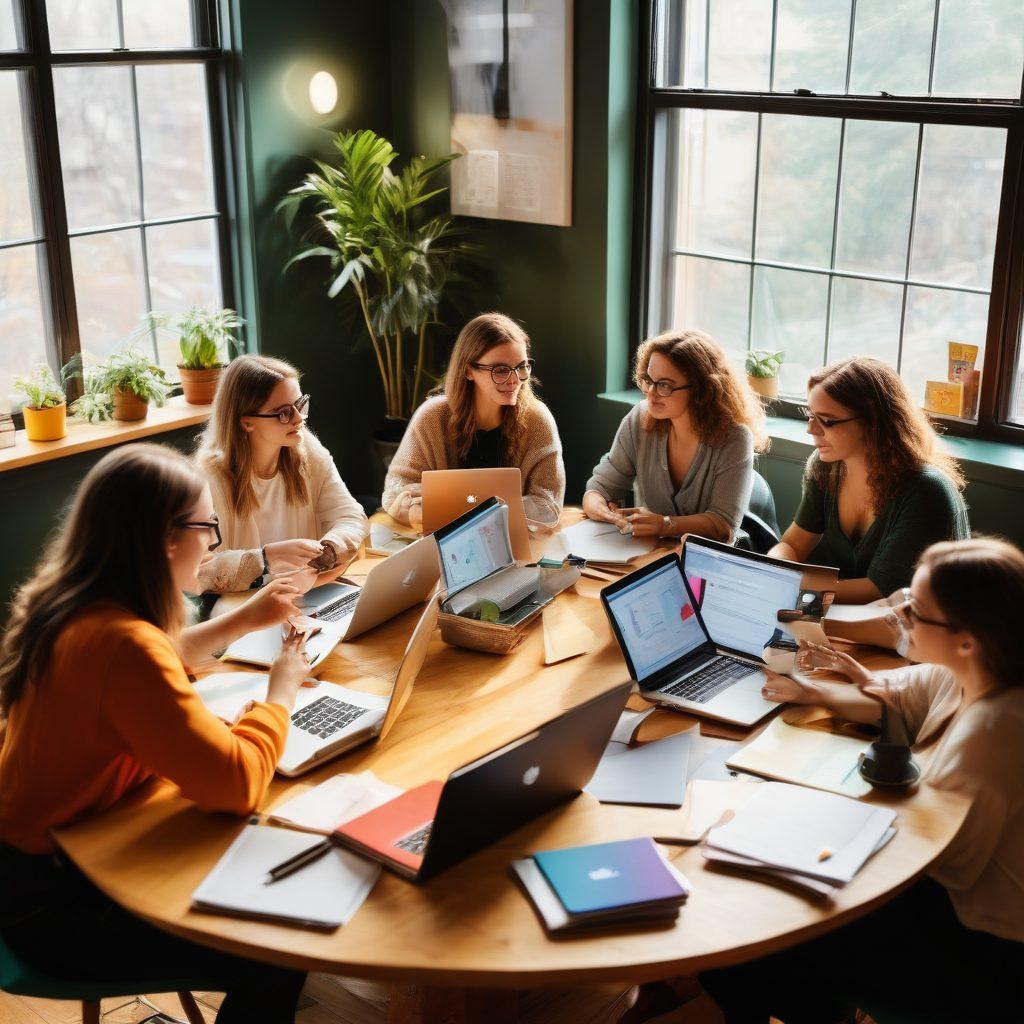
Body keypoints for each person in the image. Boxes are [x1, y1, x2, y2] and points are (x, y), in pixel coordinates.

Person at [0, 443, 318, 1023]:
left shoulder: (76, 608)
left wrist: (246, 619)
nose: (216, 541)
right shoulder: (124, 645)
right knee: (280, 944)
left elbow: (155, 662)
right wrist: (281, 691)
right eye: (207, 526)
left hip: (36, 863)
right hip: (54, 906)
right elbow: (238, 783)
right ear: (165, 539)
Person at [700, 537, 1024, 1022]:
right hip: (938, 889)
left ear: (966, 639)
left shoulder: (994, 733)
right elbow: (897, 696)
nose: (899, 618)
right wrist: (813, 691)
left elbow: (930, 862)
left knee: (747, 939)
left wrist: (812, 815)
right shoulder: (974, 672)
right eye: (904, 600)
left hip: (980, 945)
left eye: (915, 613)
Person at [768, 357, 969, 602]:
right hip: (858, 617)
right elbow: (794, 544)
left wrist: (796, 590)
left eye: (827, 420)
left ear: (873, 422)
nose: (811, 429)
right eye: (810, 415)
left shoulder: (925, 491)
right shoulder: (825, 467)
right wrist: (774, 570)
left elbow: (881, 590)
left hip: (923, 631)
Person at [195, 354, 368, 593]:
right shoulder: (206, 480)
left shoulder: (306, 449)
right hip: (242, 611)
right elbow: (198, 572)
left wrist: (326, 551)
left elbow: (351, 516)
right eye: (284, 413)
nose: (299, 419)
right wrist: (266, 558)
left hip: (305, 596)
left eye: (300, 405)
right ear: (246, 423)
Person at [382, 312, 565, 528]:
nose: (515, 380)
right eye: (500, 370)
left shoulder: (537, 420)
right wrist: (417, 510)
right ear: (469, 370)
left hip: (515, 544)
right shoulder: (433, 417)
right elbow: (396, 490)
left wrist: (453, 508)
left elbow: (548, 504)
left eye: (522, 366)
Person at [583, 329, 766, 541]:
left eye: (664, 385)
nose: (650, 393)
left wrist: (665, 525)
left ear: (701, 390)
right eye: (648, 380)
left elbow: (723, 525)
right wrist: (599, 506)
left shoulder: (735, 439)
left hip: (706, 564)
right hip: (649, 555)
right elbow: (600, 488)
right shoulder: (640, 418)